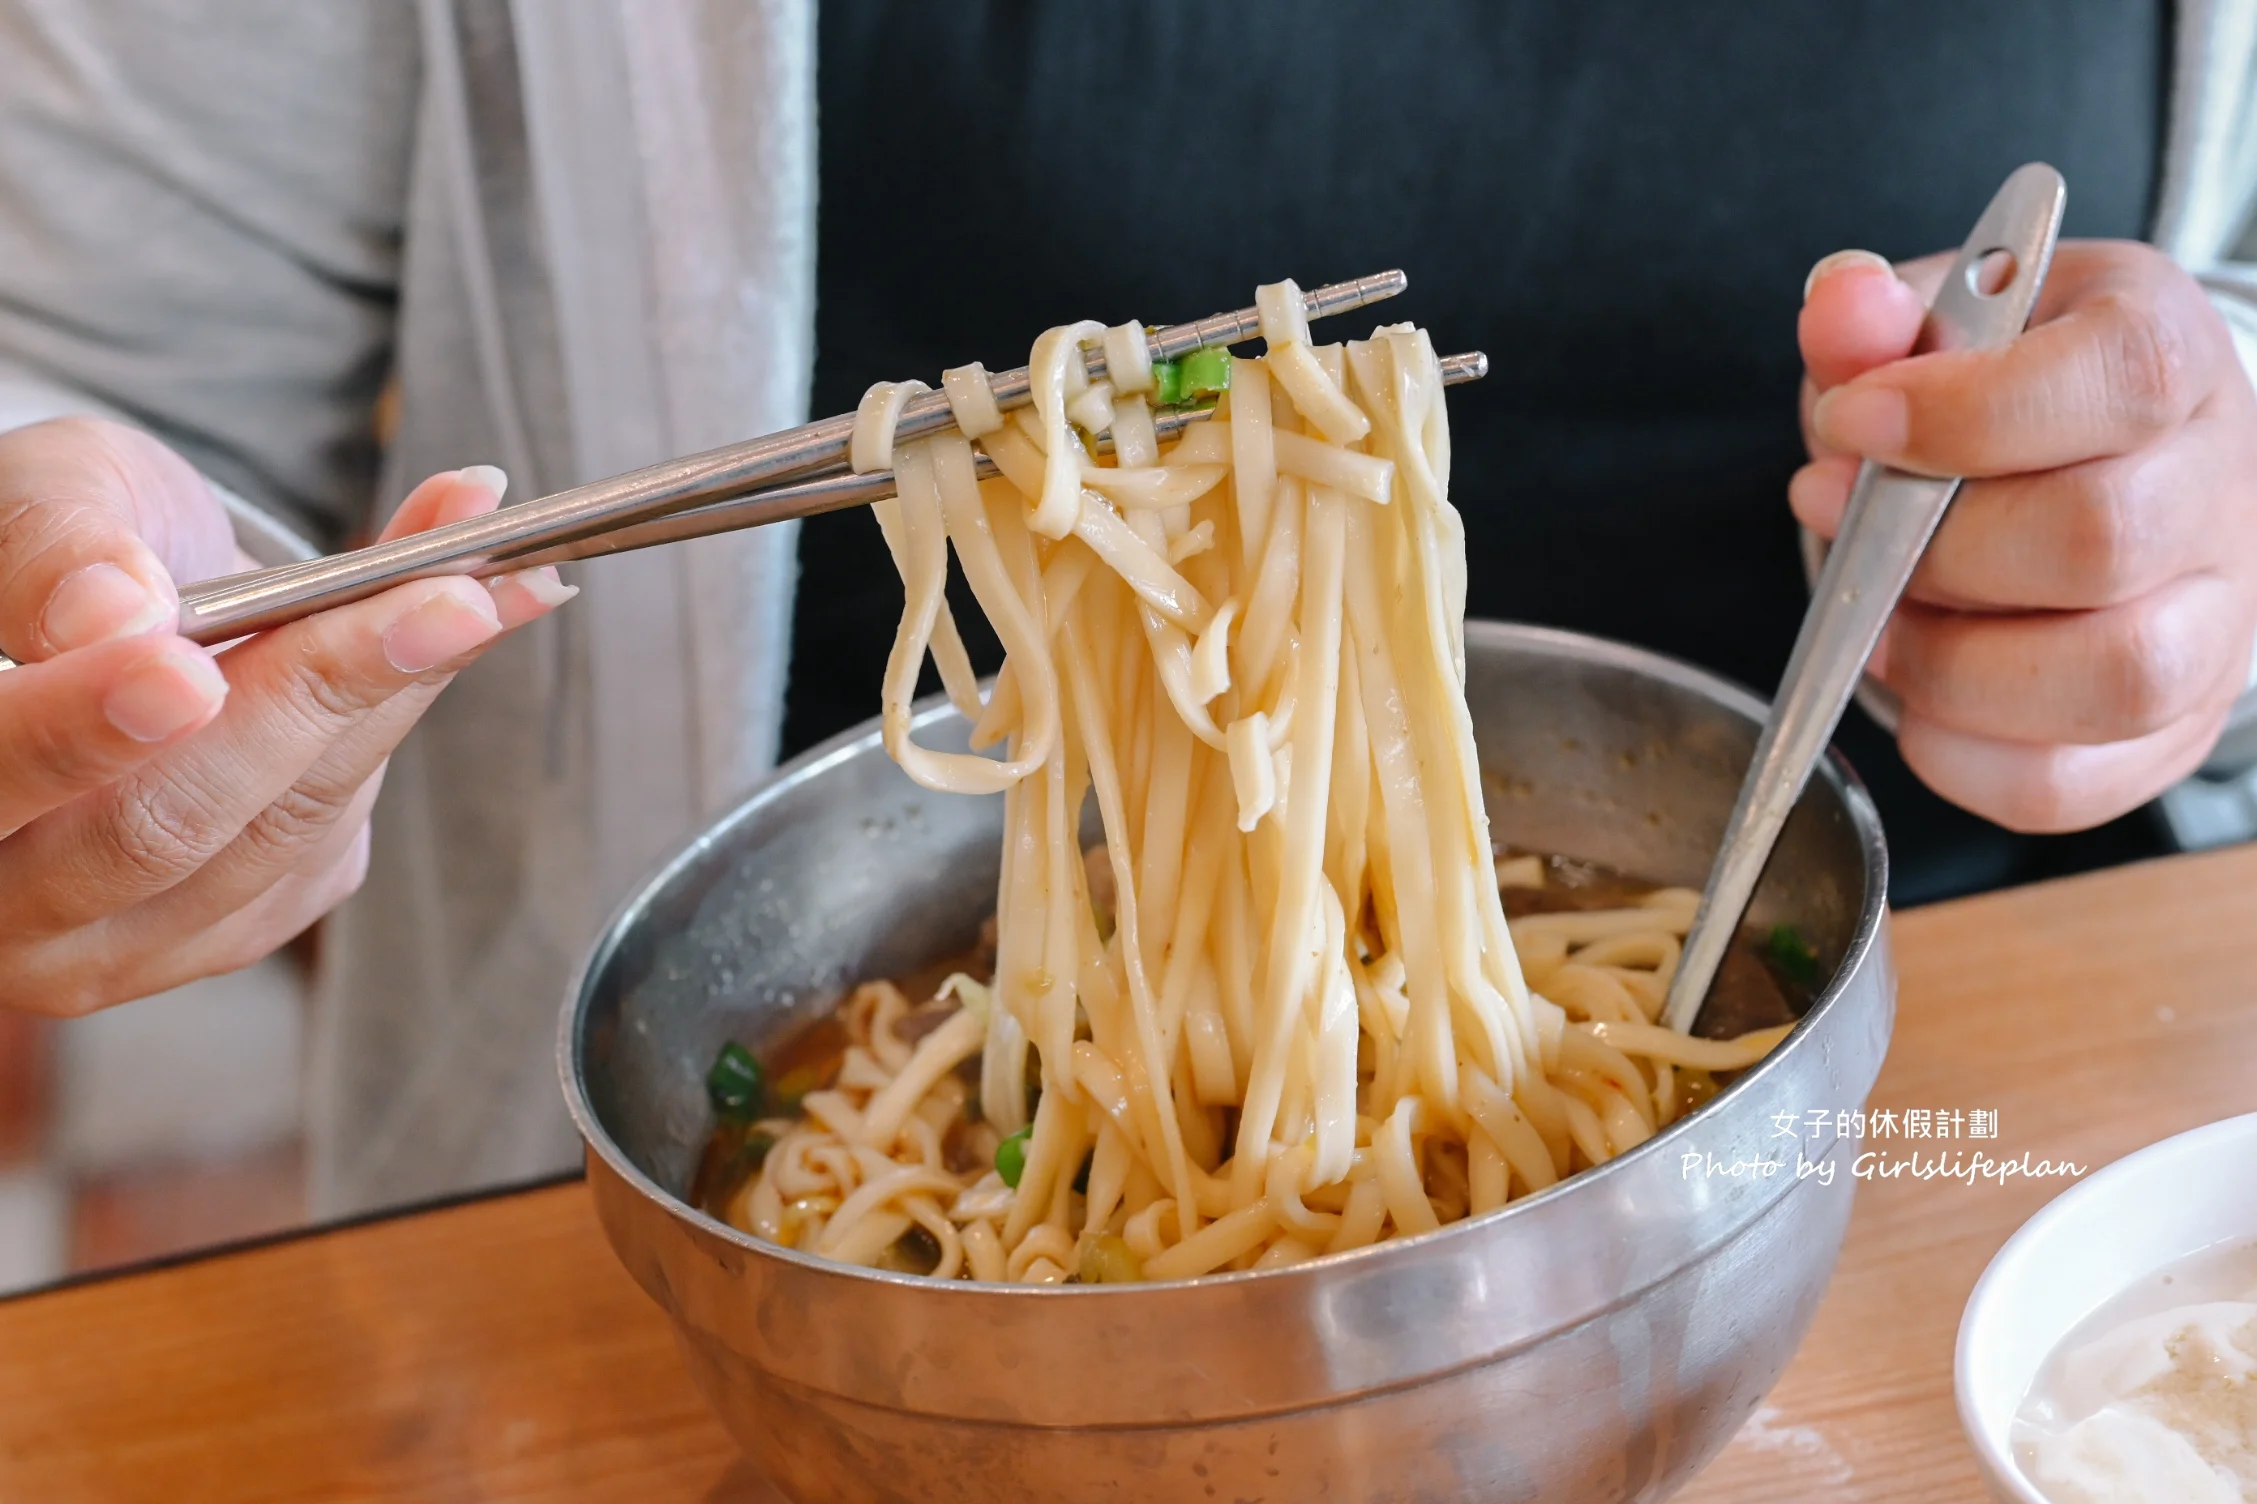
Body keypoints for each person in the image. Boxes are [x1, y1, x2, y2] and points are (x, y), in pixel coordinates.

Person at [1, 0, 2253, 1217]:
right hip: (784, 1188)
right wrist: (83, 600)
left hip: (2010, 1159)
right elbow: (80, 340)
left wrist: (2199, 516)